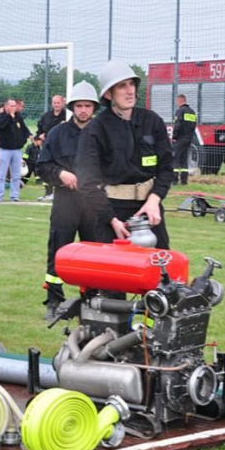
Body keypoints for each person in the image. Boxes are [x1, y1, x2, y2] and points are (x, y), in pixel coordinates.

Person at [76, 61, 174, 249]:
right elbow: (87, 183)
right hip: (111, 212)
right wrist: (111, 219)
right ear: (108, 94)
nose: (130, 91)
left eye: (132, 84)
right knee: (113, 274)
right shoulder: (95, 130)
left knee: (161, 271)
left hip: (149, 210)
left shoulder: (152, 121)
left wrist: (154, 200)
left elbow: (166, 168)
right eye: (122, 86)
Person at [36, 81, 100, 321]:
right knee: (58, 251)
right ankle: (54, 301)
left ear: (94, 107)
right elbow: (42, 165)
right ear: (72, 107)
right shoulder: (58, 133)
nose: (83, 110)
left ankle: (92, 299)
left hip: (95, 204)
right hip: (66, 201)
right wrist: (61, 175)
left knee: (94, 255)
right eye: (79, 106)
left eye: (88, 106)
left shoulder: (102, 133)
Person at [0, 98, 31, 203]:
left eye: (15, 106)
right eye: (12, 106)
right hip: (5, 150)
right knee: (1, 175)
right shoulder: (0, 117)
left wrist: (28, 136)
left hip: (16, 150)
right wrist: (10, 117)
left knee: (16, 175)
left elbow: (23, 128)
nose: (14, 108)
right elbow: (1, 126)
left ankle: (14, 196)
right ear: (6, 107)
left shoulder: (18, 117)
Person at [171, 94, 197, 185]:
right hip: (188, 138)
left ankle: (174, 180)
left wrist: (174, 137)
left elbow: (177, 125)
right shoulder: (192, 112)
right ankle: (184, 180)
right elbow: (194, 126)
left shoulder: (180, 111)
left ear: (179, 101)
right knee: (184, 159)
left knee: (175, 158)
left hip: (180, 138)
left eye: (177, 101)